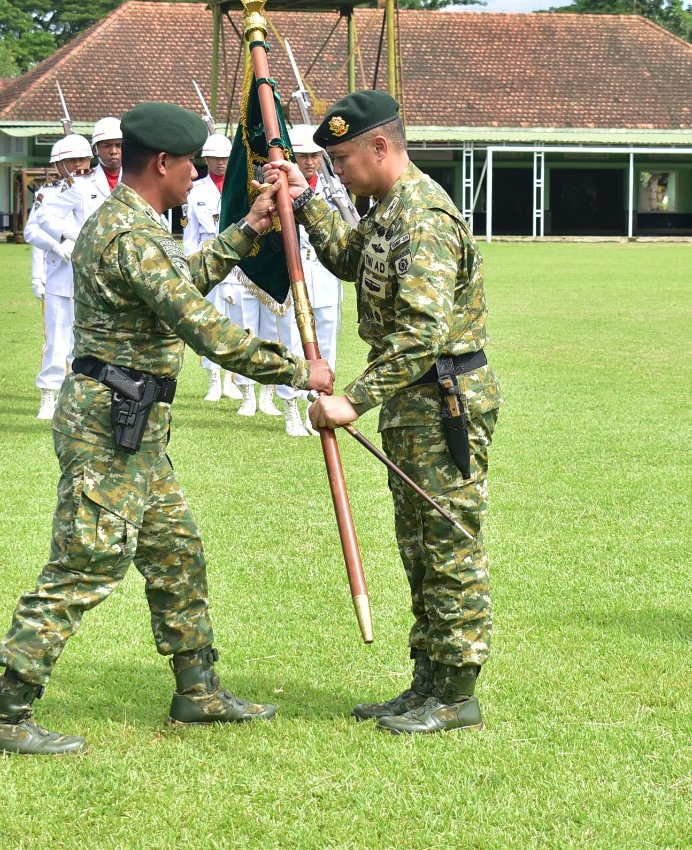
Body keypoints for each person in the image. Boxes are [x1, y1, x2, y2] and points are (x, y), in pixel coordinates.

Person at [0, 102, 332, 757]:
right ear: (163, 163)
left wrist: (248, 228)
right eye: (191, 163)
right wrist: (298, 370)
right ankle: (7, 710)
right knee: (86, 559)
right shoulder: (129, 234)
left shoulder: (134, 224)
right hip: (111, 425)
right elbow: (202, 324)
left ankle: (198, 689)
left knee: (175, 550)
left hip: (134, 424)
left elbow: (179, 283)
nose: (197, 174)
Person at [267, 90, 501, 735]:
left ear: (379, 146)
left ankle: (457, 694)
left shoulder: (423, 218)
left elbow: (422, 335)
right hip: (414, 401)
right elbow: (353, 259)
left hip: (443, 400)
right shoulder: (388, 209)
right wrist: (306, 201)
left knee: (447, 543)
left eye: (341, 159)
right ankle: (428, 681)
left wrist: (352, 398)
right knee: (418, 545)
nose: (337, 170)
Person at [26, 134, 108, 419]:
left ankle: (78, 396)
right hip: (60, 276)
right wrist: (55, 244)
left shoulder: (98, 188)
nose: (78, 165)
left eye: (83, 159)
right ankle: (48, 395)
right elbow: (31, 231)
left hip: (90, 278)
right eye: (71, 160)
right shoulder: (48, 193)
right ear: (58, 164)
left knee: (84, 342)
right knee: (56, 341)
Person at [275, 126, 344, 437]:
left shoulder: (334, 188)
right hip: (295, 272)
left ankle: (317, 405)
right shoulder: (279, 187)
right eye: (303, 156)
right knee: (292, 341)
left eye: (315, 155)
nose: (310, 162)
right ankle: (290, 406)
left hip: (325, 271)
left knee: (326, 340)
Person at [181, 131, 239, 402]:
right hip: (208, 261)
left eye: (225, 158)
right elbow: (190, 234)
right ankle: (214, 380)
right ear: (205, 159)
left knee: (237, 323)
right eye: (215, 158)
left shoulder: (240, 187)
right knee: (209, 323)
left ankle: (231, 380)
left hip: (237, 263)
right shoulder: (195, 190)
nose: (220, 162)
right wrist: (190, 268)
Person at [90, 116, 123, 191]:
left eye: (119, 145)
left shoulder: (138, 178)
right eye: (107, 146)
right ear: (95, 150)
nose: (114, 151)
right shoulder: (79, 181)